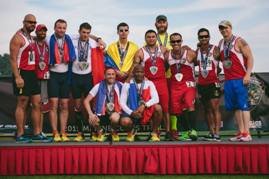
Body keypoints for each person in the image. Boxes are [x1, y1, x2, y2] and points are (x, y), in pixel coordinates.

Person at [9, 14, 46, 142]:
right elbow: (12, 59)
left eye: (34, 22)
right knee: (22, 104)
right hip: (21, 73)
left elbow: (41, 37)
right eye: (30, 22)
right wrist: (17, 77)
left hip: (32, 74)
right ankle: (20, 134)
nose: (32, 24)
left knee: (37, 104)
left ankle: (37, 133)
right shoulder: (17, 38)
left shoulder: (30, 37)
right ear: (23, 22)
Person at [218, 20, 254, 142]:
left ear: (230, 28)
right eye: (221, 29)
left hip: (240, 78)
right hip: (229, 80)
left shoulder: (239, 41)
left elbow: (250, 57)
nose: (224, 30)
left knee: (243, 106)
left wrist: (247, 75)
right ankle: (240, 132)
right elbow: (218, 59)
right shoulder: (221, 43)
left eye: (226, 28)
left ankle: (247, 133)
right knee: (236, 108)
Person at [133, 30, 171, 139]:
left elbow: (172, 60)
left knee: (165, 108)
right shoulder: (140, 52)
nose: (151, 38)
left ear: (156, 37)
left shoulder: (163, 50)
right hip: (148, 83)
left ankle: (168, 132)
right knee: (150, 108)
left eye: (153, 36)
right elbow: (135, 68)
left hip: (161, 82)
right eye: (148, 37)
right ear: (145, 39)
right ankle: (154, 132)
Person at [71, 22, 106, 142]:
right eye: (83, 32)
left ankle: (92, 132)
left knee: (90, 106)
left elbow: (103, 45)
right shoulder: (72, 38)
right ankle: (80, 133)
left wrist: (99, 38)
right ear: (79, 31)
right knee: (77, 106)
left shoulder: (93, 42)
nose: (85, 35)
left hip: (88, 78)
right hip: (75, 77)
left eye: (88, 33)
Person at [165, 33, 198, 141]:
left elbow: (202, 63)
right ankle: (186, 132)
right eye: (173, 41)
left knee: (189, 104)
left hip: (188, 83)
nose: (176, 43)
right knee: (176, 109)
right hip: (175, 85)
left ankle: (193, 130)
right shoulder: (167, 55)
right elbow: (164, 69)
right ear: (170, 43)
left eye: (178, 41)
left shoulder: (190, 53)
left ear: (181, 41)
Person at [48, 19, 76, 142]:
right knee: (53, 105)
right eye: (59, 28)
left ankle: (63, 132)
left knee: (64, 105)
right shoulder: (48, 38)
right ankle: (55, 132)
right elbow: (35, 37)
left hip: (65, 76)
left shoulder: (69, 38)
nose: (62, 30)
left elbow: (86, 34)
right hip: (53, 75)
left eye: (64, 28)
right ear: (54, 28)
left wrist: (98, 38)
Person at [120, 64, 162, 142]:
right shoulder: (127, 84)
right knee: (125, 122)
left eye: (141, 72)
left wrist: (144, 105)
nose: (139, 74)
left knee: (158, 108)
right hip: (133, 111)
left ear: (144, 73)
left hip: (145, 111)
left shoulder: (149, 83)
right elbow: (122, 102)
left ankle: (154, 133)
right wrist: (131, 113)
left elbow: (156, 99)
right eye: (137, 72)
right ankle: (131, 132)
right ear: (133, 73)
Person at [196, 28, 222, 141]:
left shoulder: (215, 49)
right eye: (201, 37)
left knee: (214, 108)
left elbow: (222, 65)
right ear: (198, 38)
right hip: (202, 84)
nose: (204, 38)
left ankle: (217, 133)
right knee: (206, 109)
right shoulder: (197, 51)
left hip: (213, 83)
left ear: (209, 37)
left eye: (206, 36)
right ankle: (211, 132)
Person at [83, 68, 122, 142]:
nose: (111, 76)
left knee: (115, 118)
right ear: (104, 76)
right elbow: (86, 101)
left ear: (115, 76)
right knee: (91, 120)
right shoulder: (98, 86)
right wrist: (90, 114)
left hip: (114, 113)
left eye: (113, 74)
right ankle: (100, 132)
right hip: (101, 113)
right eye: (108, 74)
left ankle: (114, 132)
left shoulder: (120, 85)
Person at [33, 24, 51, 140]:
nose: (42, 33)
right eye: (40, 31)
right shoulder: (31, 43)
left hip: (44, 78)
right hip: (33, 77)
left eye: (44, 31)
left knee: (42, 106)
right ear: (36, 32)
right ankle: (35, 131)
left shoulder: (47, 45)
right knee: (34, 105)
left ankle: (40, 131)